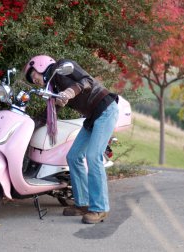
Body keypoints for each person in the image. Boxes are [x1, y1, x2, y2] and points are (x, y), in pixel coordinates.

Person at [23, 55, 119, 224]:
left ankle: (100, 208)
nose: (34, 80)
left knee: (93, 157)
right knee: (74, 156)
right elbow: (51, 113)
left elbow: (87, 80)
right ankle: (83, 203)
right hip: (92, 117)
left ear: (40, 66)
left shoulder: (63, 66)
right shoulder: (54, 87)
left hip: (105, 109)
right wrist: (30, 125)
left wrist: (69, 92)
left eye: (33, 76)